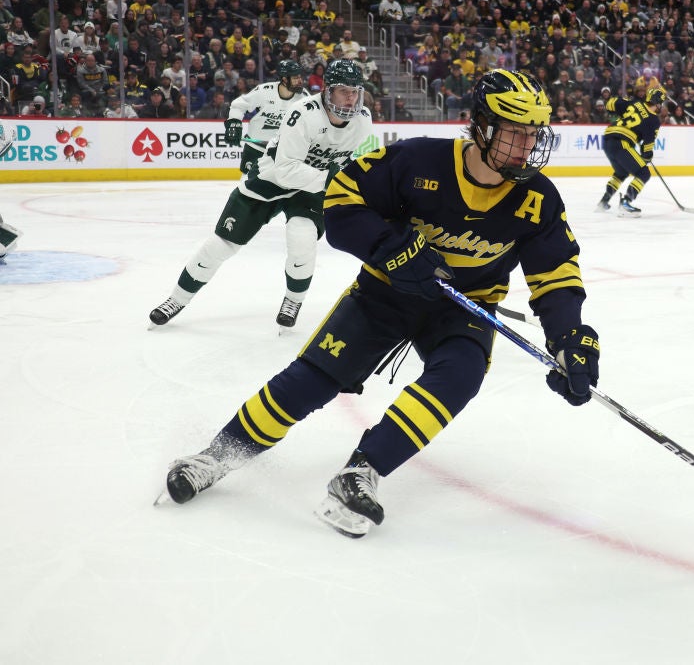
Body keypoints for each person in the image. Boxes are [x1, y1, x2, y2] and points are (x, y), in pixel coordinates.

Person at [158, 69, 598, 542]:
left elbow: (556, 273)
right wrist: (393, 249)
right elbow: (342, 197)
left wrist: (569, 337)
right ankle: (217, 455)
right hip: (385, 293)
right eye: (515, 132)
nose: (527, 146)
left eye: (533, 134)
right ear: (483, 126)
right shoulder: (419, 160)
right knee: (314, 377)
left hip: (465, 307)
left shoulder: (538, 198)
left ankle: (362, 471)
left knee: (460, 376)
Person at [148, 60, 374, 331]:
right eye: (344, 91)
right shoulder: (303, 113)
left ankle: (293, 301)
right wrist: (330, 178)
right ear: (327, 90)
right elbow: (286, 170)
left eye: (355, 91)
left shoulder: (363, 120)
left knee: (302, 240)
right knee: (220, 245)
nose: (351, 98)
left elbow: (351, 159)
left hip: (310, 188)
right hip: (271, 179)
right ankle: (176, 299)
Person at [223, 60, 308, 174]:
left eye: (300, 77)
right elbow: (239, 105)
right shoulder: (265, 91)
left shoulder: (304, 98)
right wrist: (234, 123)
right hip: (255, 149)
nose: (300, 81)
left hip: (283, 153)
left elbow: (313, 121)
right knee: (247, 182)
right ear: (284, 79)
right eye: (295, 78)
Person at [594, 86, 667, 218]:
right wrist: (647, 156)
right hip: (621, 143)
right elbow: (648, 145)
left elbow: (610, 104)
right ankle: (626, 202)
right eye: (660, 103)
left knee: (621, 173)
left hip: (607, 139)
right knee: (644, 173)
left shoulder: (635, 103)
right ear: (657, 103)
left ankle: (604, 201)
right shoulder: (653, 119)